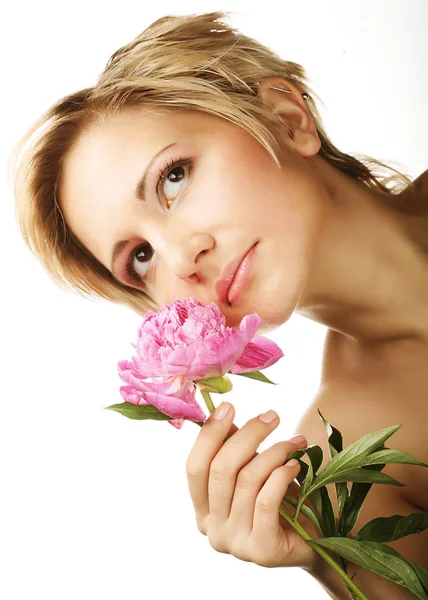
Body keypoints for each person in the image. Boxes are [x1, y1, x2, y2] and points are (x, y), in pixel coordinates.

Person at [10, 10, 427, 599]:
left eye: (174, 178)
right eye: (140, 258)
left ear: (286, 119)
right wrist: (329, 558)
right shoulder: (344, 476)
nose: (182, 258)